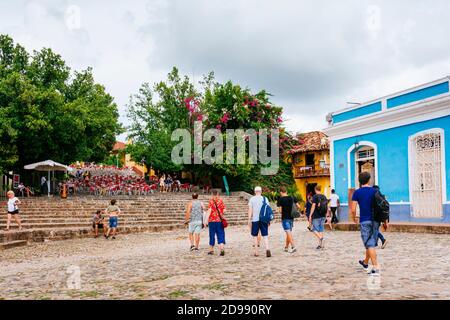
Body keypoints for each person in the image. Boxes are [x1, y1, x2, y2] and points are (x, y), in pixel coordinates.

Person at [351, 172, 381, 275]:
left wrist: (354, 218)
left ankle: (376, 267)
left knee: (370, 244)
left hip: (365, 220)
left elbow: (353, 208)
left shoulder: (357, 193)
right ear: (369, 180)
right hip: (376, 221)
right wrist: (385, 222)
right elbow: (382, 206)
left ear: (360, 181)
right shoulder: (375, 191)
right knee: (370, 242)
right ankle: (365, 262)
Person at [248, 186, 271, 257]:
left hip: (255, 220)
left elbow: (250, 210)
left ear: (255, 192)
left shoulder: (252, 199)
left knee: (254, 235)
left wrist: (249, 219)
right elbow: (268, 210)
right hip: (264, 220)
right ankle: (267, 248)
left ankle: (256, 251)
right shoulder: (265, 199)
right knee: (265, 235)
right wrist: (268, 220)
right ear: (261, 191)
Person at [277, 186, 300, 253]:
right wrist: (295, 210)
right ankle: (286, 247)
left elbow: (280, 210)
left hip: (285, 218)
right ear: (286, 191)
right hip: (291, 217)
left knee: (288, 232)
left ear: (281, 192)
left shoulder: (280, 199)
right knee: (288, 232)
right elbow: (298, 206)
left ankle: (293, 246)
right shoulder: (292, 197)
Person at [206, 190, 226, 256]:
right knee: (221, 234)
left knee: (212, 235)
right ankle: (222, 249)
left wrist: (206, 221)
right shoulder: (221, 201)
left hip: (212, 221)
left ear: (212, 194)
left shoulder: (211, 202)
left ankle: (211, 250)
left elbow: (209, 211)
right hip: (219, 221)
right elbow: (224, 210)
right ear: (217, 194)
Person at [309, 185, 328, 249]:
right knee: (321, 230)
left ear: (315, 189)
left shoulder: (315, 196)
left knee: (313, 229)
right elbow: (326, 206)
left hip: (316, 216)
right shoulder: (324, 196)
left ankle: (321, 238)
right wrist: (327, 215)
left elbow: (313, 206)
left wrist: (310, 215)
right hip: (323, 215)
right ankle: (320, 245)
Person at [373, 185, 388, 249]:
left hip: (374, 216)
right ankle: (383, 240)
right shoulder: (381, 197)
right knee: (374, 229)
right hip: (380, 216)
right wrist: (385, 220)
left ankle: (374, 243)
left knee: (374, 230)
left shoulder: (375, 196)